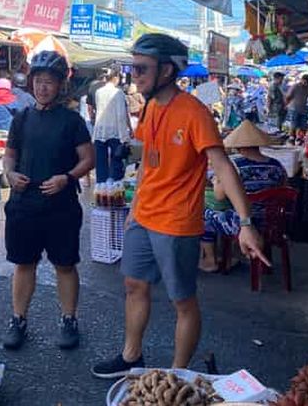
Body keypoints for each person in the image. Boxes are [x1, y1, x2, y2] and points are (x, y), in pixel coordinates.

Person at [91, 33, 266, 378]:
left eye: (141, 68)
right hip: (143, 217)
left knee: (182, 302)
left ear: (167, 71)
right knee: (133, 286)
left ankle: (177, 375)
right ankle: (131, 356)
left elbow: (223, 166)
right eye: (132, 67)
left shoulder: (195, 113)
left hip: (177, 223)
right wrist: (135, 208)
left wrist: (246, 223)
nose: (134, 75)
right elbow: (148, 164)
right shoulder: (152, 107)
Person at [2, 50, 95, 351]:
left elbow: (88, 158)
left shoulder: (72, 121)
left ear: (60, 86)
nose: (43, 87)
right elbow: (10, 155)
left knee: (65, 265)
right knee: (23, 264)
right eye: (38, 81)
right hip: (24, 205)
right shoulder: (22, 118)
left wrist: (67, 178)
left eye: (49, 82)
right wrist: (9, 174)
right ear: (31, 83)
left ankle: (69, 320)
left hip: (61, 207)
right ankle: (18, 320)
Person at [200, 120, 288, 272]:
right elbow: (285, 187)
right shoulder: (276, 165)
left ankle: (210, 260)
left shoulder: (234, 165)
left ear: (238, 146)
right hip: (273, 223)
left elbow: (219, 195)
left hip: (244, 222)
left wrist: (216, 181)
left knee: (203, 216)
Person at [92, 66, 132, 183]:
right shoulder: (118, 92)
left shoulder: (98, 92)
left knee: (100, 164)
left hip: (99, 130)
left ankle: (101, 190)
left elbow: (98, 110)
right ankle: (114, 190)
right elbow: (121, 115)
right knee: (116, 162)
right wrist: (125, 137)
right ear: (115, 78)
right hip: (115, 131)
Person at [286, 74, 308, 138]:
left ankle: (300, 138)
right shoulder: (295, 86)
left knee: (303, 125)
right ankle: (291, 138)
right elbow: (288, 96)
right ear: (302, 80)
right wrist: (286, 105)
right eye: (305, 82)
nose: (306, 84)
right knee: (294, 124)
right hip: (294, 108)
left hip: (303, 108)